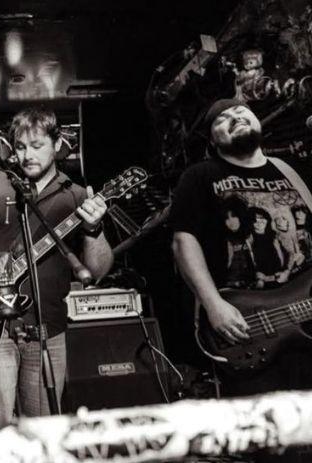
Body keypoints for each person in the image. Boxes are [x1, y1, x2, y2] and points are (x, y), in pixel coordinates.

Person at [0, 107, 113, 423]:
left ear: (57, 144)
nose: (27, 155)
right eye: (20, 147)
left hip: (49, 329)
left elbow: (97, 271)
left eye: (36, 145)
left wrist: (94, 229)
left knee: (44, 428)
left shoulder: (75, 196)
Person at [170, 99, 312, 461]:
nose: (235, 117)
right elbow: (184, 242)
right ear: (212, 139)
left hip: (306, 316)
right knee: (273, 443)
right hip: (250, 325)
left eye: (241, 112)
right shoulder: (201, 175)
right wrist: (214, 304)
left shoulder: (293, 171)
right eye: (223, 118)